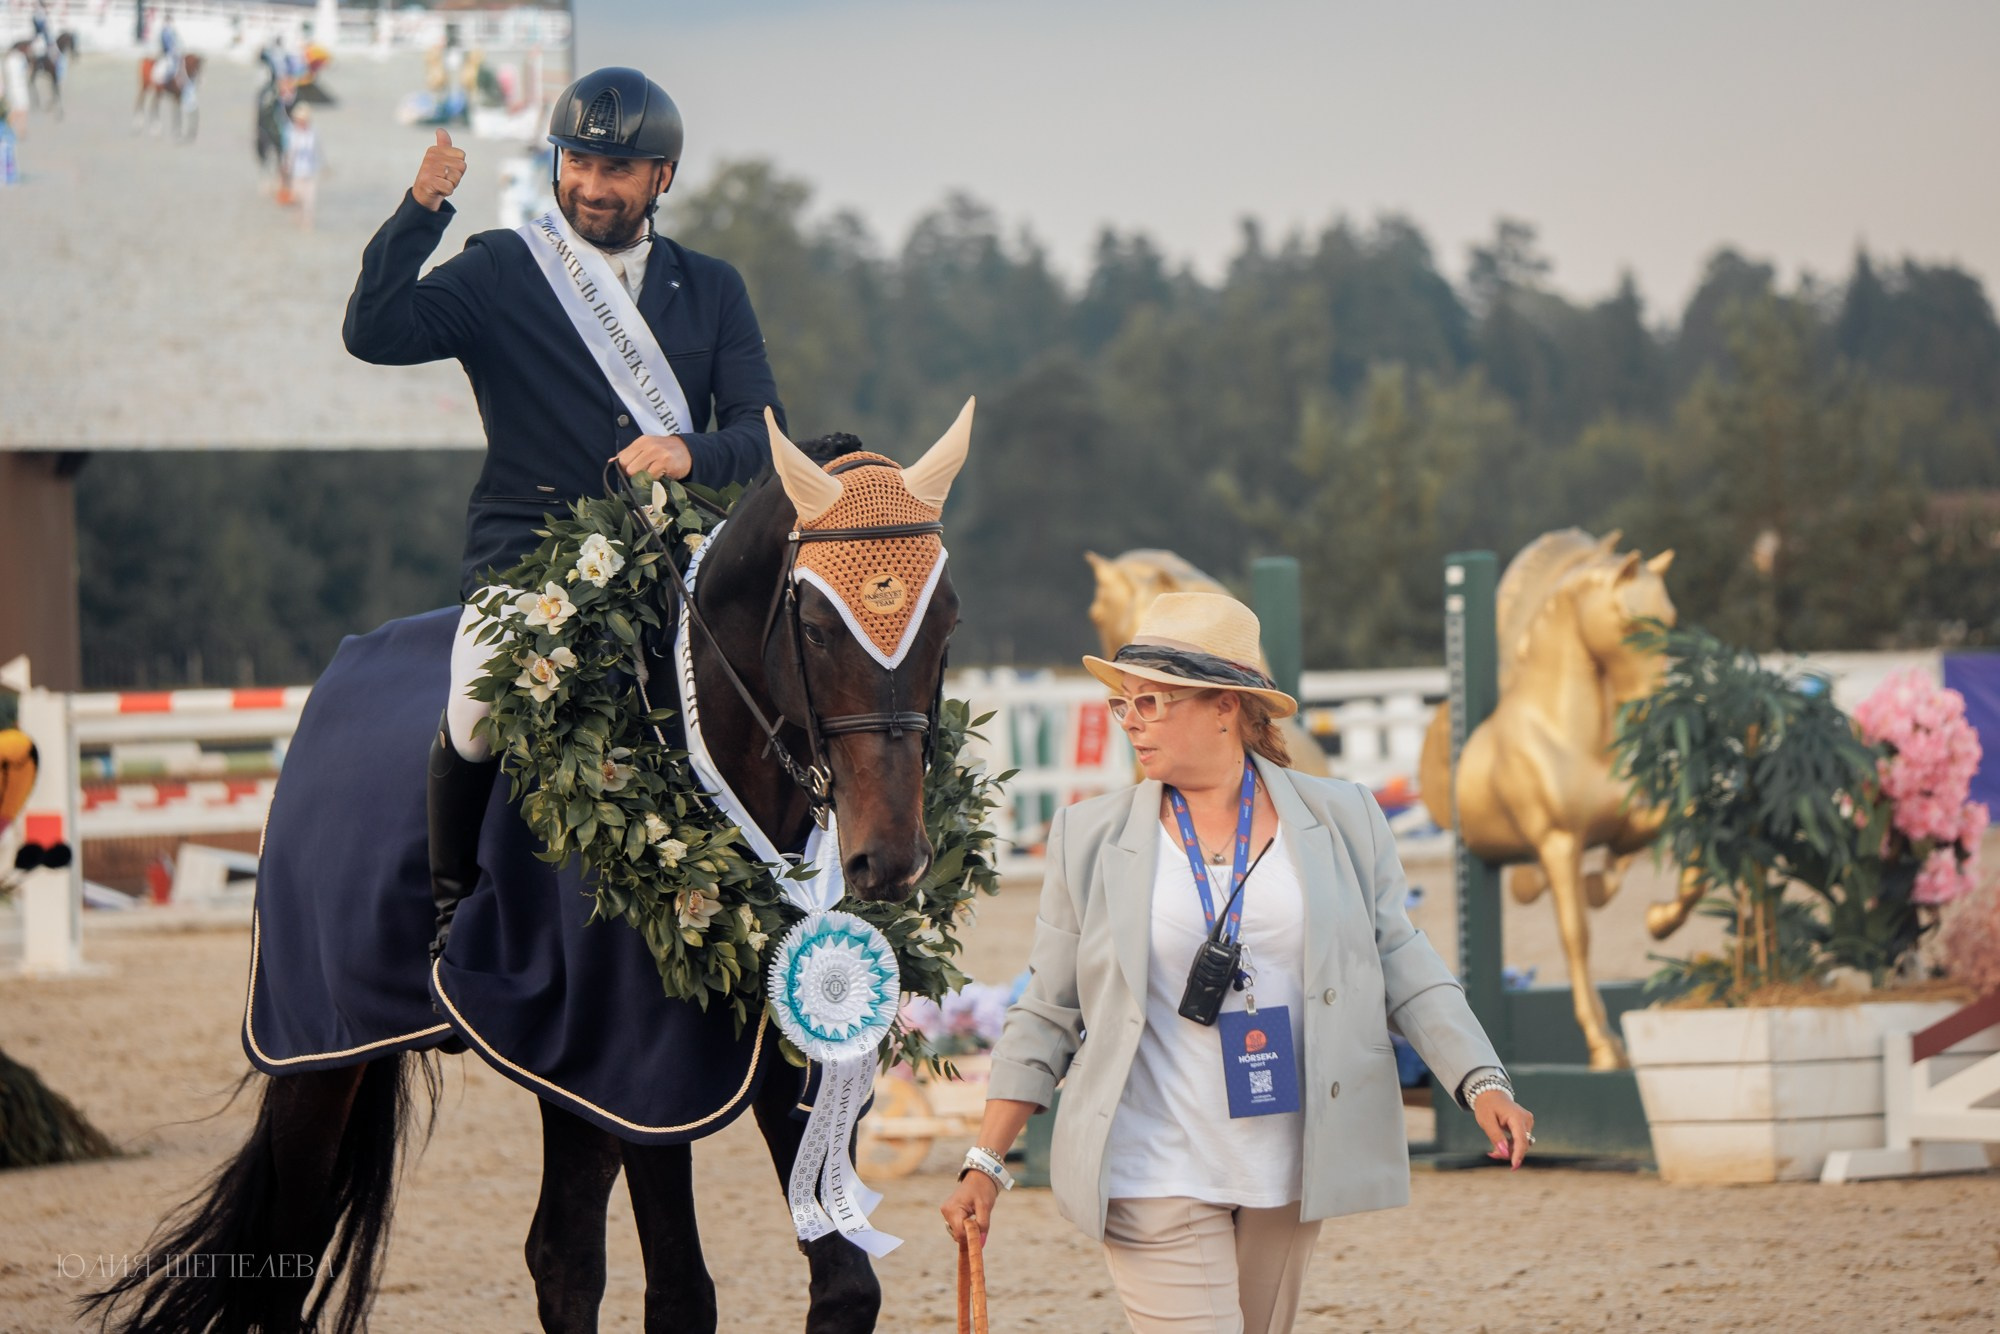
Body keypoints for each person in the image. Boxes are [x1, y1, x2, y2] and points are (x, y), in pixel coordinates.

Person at [940, 592, 1536, 1334]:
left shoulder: (1343, 818)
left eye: (1151, 702)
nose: (1130, 721)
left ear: (1225, 706)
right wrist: (986, 1161)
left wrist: (1480, 1079)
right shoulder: (1087, 837)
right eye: (1124, 702)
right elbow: (1049, 1007)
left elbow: (1400, 960)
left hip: (1287, 1167)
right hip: (1147, 1164)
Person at [342, 67, 783, 969]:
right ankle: (450, 907)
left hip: (671, 553)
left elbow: (761, 437)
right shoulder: (506, 267)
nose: (592, 185)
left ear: (663, 176)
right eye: (577, 161)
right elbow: (374, 332)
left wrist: (689, 454)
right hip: (524, 553)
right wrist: (421, 208)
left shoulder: (713, 289)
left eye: (617, 169)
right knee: (474, 706)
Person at [282, 102, 318, 229]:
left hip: (309, 172)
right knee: (297, 200)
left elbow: (316, 152)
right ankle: (297, 220)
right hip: (296, 173)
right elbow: (289, 153)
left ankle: (307, 223)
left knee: (310, 201)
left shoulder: (312, 133)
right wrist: (286, 169)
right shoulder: (292, 134)